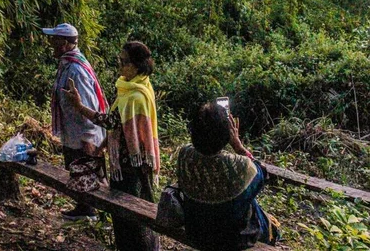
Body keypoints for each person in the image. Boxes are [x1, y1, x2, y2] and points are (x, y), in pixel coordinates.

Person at [64, 40, 160, 251]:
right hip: (132, 164)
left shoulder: (135, 95)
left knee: (130, 215)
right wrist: (103, 145)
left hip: (130, 168)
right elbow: (123, 127)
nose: (120, 66)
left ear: (136, 66)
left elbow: (110, 122)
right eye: (119, 61)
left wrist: (80, 107)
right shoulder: (137, 86)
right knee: (132, 213)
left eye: (124, 62)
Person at [177, 102, 280, 251]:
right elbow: (262, 174)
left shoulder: (184, 154)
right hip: (233, 240)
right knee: (253, 204)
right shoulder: (240, 165)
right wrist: (238, 146)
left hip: (195, 232)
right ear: (227, 134)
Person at [42, 22, 108, 221]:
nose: (50, 42)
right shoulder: (68, 64)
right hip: (73, 132)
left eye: (54, 39)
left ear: (63, 42)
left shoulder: (76, 70)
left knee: (89, 174)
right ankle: (84, 208)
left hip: (83, 135)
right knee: (77, 172)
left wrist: (88, 138)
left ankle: (95, 213)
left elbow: (89, 105)